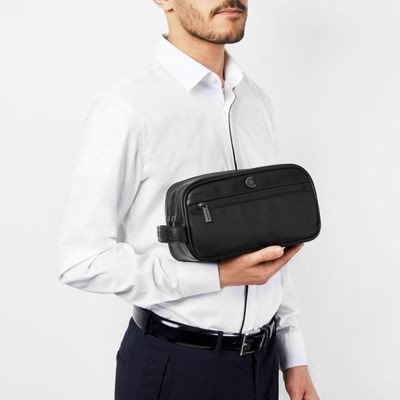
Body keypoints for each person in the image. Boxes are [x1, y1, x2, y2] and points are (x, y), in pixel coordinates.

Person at [57, 1, 320, 399]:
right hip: (176, 368)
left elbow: (270, 245)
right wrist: (218, 276)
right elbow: (82, 261)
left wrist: (294, 357)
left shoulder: (256, 102)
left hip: (261, 365)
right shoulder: (126, 110)